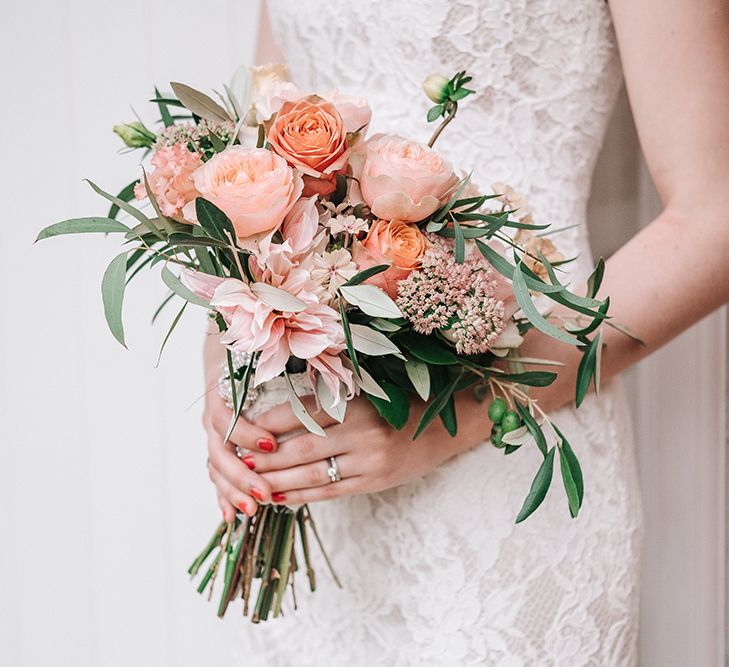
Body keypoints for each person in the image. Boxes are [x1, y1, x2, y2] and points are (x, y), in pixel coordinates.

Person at [202, 1, 729, 664]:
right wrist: (230, 365)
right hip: (311, 469)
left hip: (505, 446)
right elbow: (265, 131)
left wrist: (445, 419)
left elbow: (715, 219)